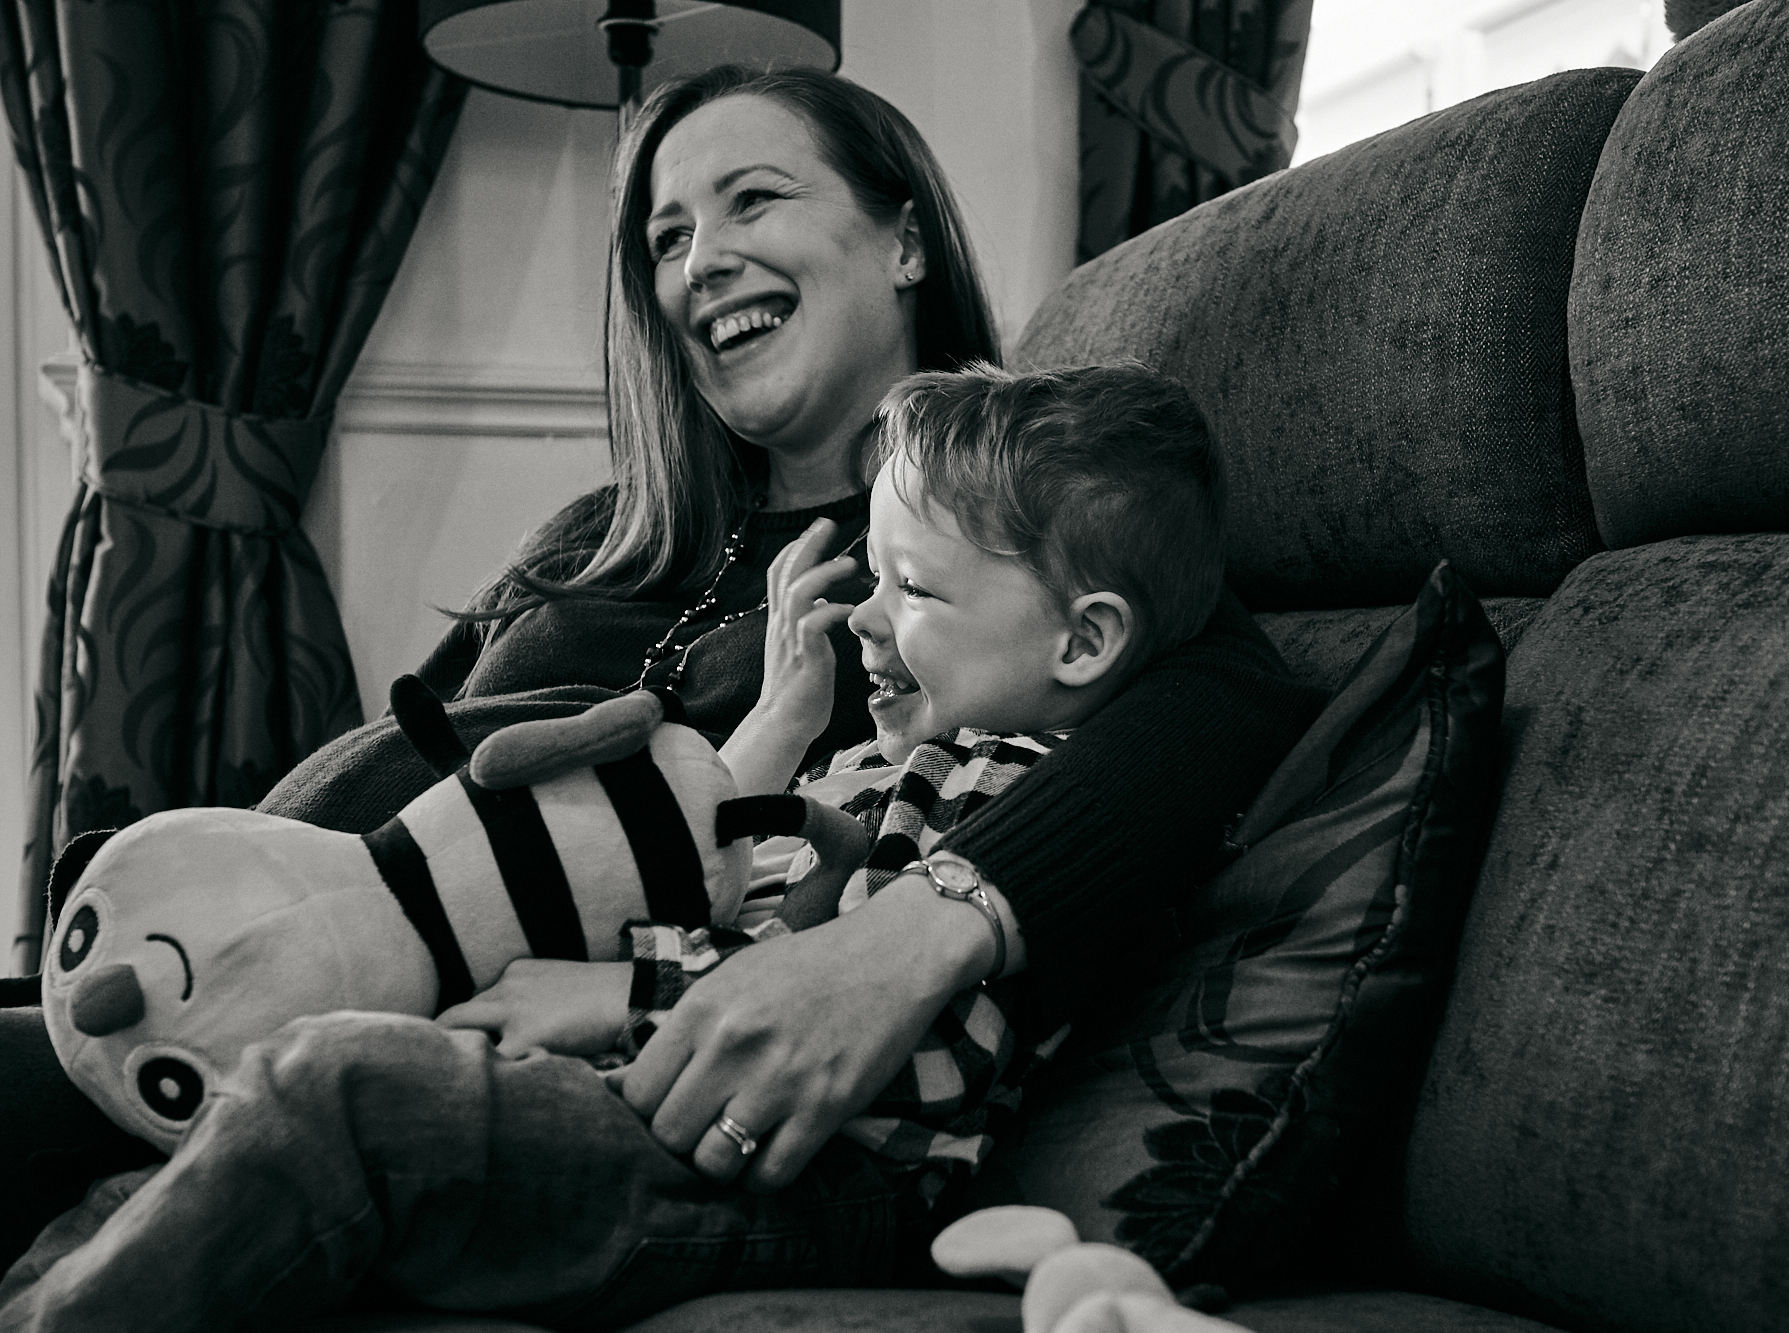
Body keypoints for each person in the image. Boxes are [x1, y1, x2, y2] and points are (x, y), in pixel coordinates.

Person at [0, 63, 1324, 1277]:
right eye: (667, 237)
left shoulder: (1004, 545)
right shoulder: (596, 534)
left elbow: (1230, 700)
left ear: (904, 239)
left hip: (455, 1041)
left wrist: (925, 925)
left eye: (754, 199)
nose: (703, 259)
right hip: (240, 966)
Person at [0, 358, 1237, 1330]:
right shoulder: (871, 756)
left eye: (913, 590)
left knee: (335, 1087)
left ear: (1082, 642)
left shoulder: (1017, 790)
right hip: (619, 1087)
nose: (864, 615)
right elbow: (713, 891)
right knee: (160, 1173)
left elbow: (900, 1042)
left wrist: (617, 992)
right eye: (871, 575)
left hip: (812, 1177)